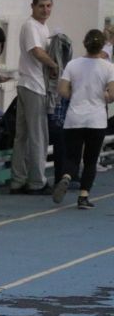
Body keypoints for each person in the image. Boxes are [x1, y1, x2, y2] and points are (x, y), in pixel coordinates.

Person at [51, 29, 114, 209]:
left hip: (74, 118)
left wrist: (76, 95)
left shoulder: (73, 65)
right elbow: (112, 94)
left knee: (72, 156)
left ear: (85, 44)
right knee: (90, 160)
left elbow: (62, 90)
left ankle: (66, 176)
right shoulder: (108, 67)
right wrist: (104, 96)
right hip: (96, 120)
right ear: (102, 46)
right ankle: (83, 196)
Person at [9, 0, 59, 195]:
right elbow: (36, 51)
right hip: (33, 86)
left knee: (22, 136)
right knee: (38, 135)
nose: (45, 10)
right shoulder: (30, 25)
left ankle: (18, 180)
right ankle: (37, 182)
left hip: (29, 84)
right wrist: (54, 65)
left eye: (48, 6)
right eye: (41, 6)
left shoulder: (43, 27)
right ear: (33, 6)